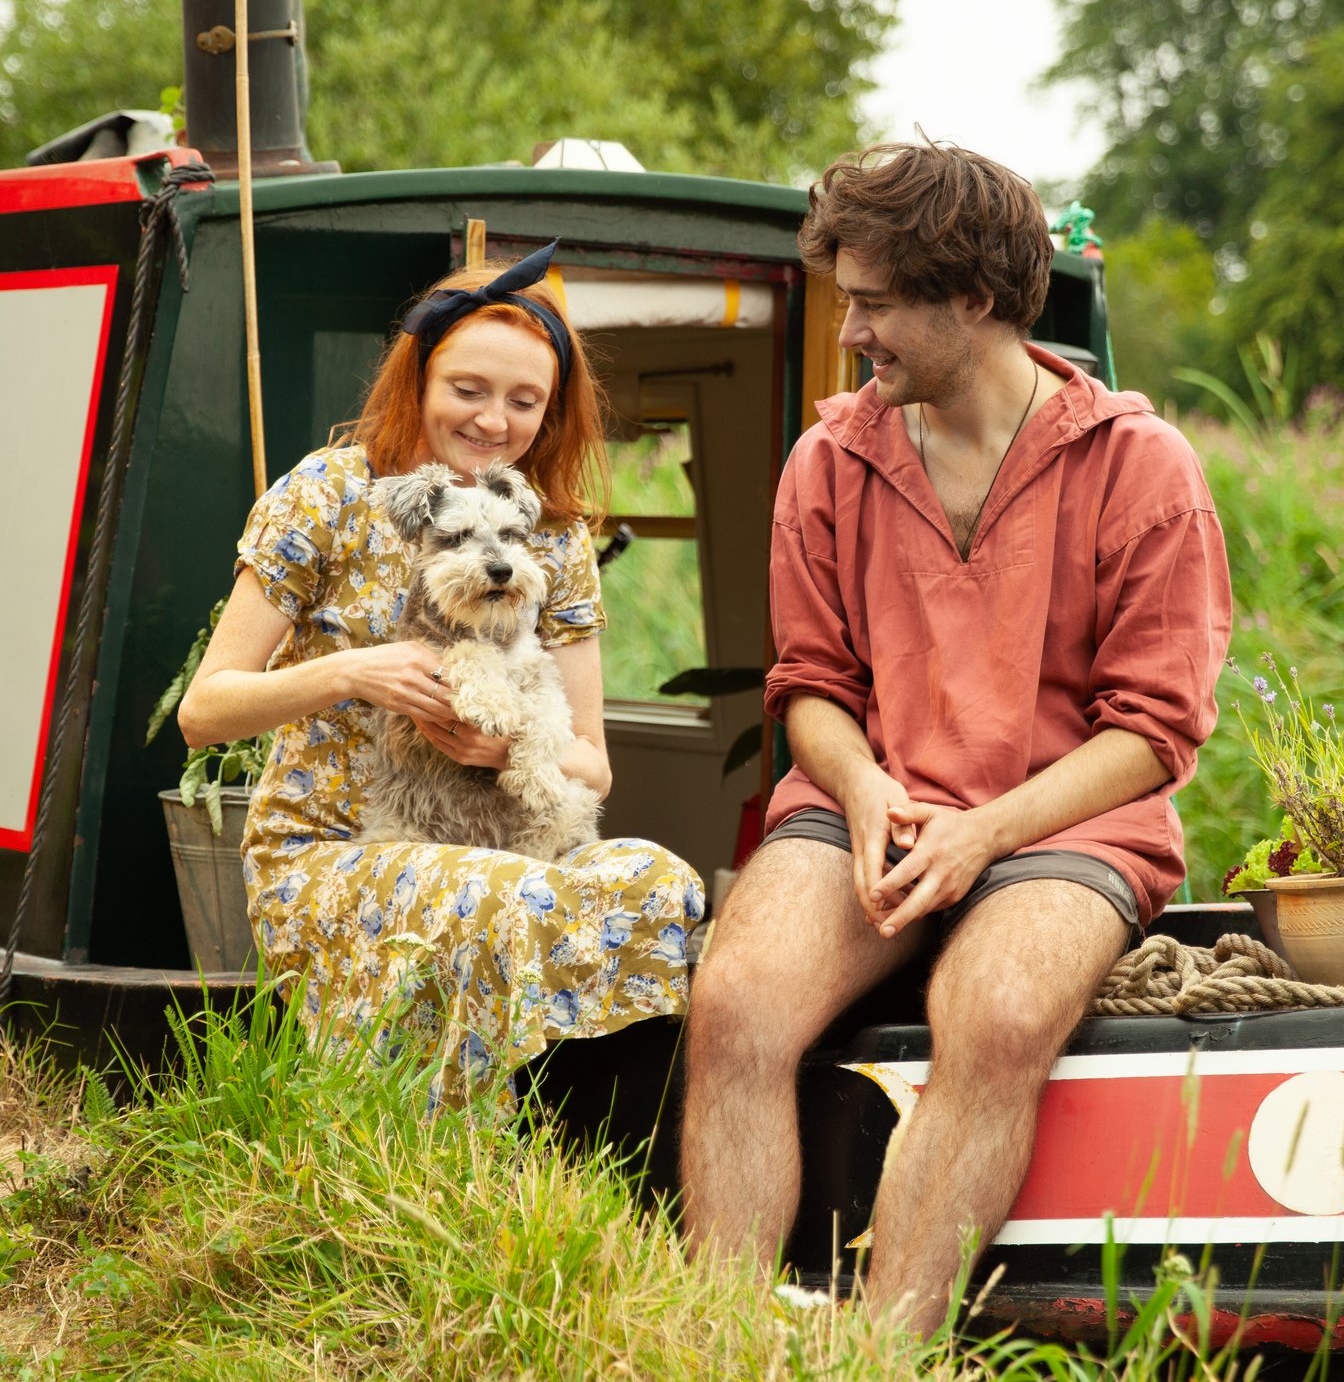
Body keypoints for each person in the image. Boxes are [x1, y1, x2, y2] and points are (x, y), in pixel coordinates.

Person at [679, 140, 1231, 1330]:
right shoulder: (828, 459)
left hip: (1065, 816)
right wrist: (864, 785)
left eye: (873, 304)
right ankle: (706, 1341)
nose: (851, 334)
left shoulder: (1142, 466)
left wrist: (985, 833)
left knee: (997, 1016)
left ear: (970, 297)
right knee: (732, 1003)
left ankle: (882, 1354)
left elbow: (1151, 730)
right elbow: (810, 681)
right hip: (869, 802)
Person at [179, 242, 703, 1111]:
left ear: (552, 410)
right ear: (420, 380)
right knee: (502, 899)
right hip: (336, 849)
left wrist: (499, 750)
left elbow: (592, 764)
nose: (494, 419)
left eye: (524, 400)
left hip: (508, 837)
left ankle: (601, 1159)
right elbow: (204, 712)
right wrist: (355, 671)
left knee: (661, 885)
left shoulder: (555, 537)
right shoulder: (329, 493)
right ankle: (443, 1166)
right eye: (469, 390)